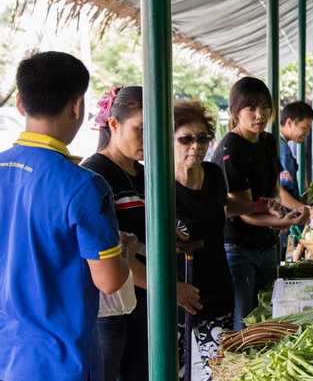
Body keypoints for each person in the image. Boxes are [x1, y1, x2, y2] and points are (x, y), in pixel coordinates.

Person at [0, 52, 134, 381]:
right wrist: (126, 251)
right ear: (77, 105)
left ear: (20, 103)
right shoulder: (85, 185)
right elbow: (109, 281)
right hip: (61, 361)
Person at [83, 86, 203, 381]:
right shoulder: (95, 175)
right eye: (141, 129)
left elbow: (141, 235)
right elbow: (111, 250)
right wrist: (168, 288)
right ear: (114, 124)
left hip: (145, 301)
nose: (150, 138)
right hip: (111, 307)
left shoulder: (145, 172)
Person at [172, 100, 285, 381]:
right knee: (175, 371)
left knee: (220, 370)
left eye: (202, 138)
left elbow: (224, 206)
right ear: (169, 141)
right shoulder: (159, 184)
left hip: (216, 290)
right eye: (185, 139)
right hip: (177, 295)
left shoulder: (212, 173)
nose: (195, 146)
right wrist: (172, 289)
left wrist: (258, 206)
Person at [212, 77, 309, 330]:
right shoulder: (230, 151)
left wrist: (280, 215)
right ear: (235, 111)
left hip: (267, 244)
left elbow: (274, 190)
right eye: (251, 108)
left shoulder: (267, 141)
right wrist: (280, 220)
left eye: (265, 107)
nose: (260, 115)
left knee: (267, 317)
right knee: (244, 323)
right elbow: (244, 209)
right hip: (238, 248)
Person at [278, 101, 313, 214]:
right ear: (289, 122)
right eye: (305, 128)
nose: (307, 133)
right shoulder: (283, 150)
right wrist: (308, 211)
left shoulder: (281, 145)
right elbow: (280, 193)